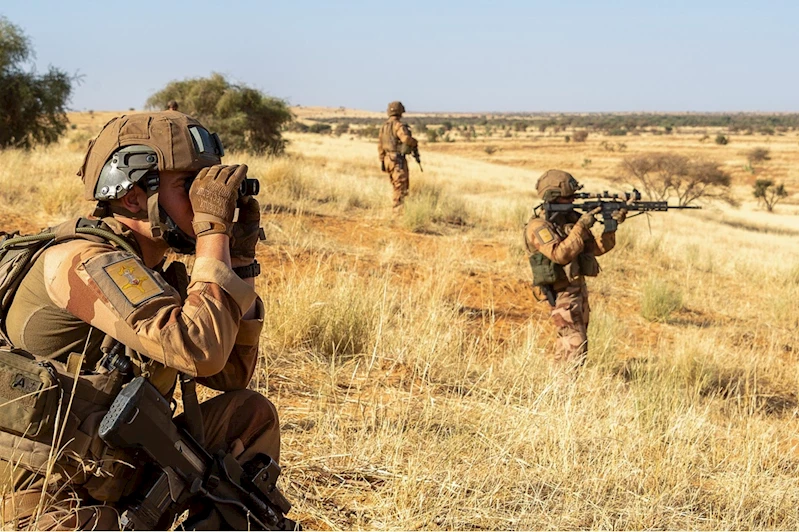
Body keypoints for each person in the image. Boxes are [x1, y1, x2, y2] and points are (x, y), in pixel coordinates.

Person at [0, 111, 278, 529]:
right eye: (190, 186)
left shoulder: (149, 271)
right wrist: (212, 234)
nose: (207, 201)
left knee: (249, 415)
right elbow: (200, 350)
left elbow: (230, 374)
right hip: (47, 492)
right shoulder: (87, 261)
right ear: (133, 197)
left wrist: (236, 259)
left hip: (114, 469)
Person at [523, 170, 626, 366]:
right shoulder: (538, 225)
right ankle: (562, 390)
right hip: (560, 291)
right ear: (553, 197)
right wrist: (580, 226)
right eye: (568, 197)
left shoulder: (569, 219)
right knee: (575, 343)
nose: (573, 200)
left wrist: (611, 226)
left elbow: (596, 249)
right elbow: (559, 255)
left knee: (573, 342)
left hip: (577, 290)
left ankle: (558, 388)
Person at [378, 101, 418, 210]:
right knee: (400, 186)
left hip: (387, 159)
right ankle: (397, 212)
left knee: (396, 185)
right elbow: (405, 139)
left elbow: (380, 145)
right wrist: (414, 142)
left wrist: (382, 160)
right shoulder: (398, 126)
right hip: (397, 160)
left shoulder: (384, 127)